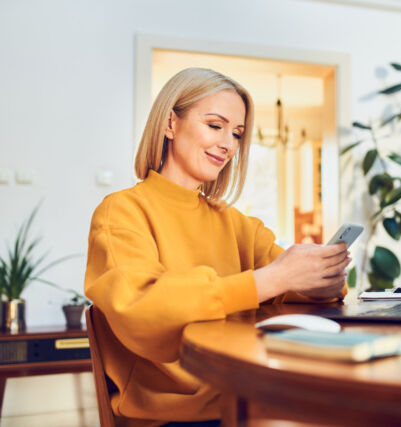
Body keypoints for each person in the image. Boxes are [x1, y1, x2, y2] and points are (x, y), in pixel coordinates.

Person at [84, 67, 350, 427]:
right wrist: (270, 280)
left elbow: (290, 282)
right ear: (169, 124)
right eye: (215, 125)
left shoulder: (234, 222)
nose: (228, 144)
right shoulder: (121, 212)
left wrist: (325, 282)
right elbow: (142, 309)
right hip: (175, 412)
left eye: (237, 133)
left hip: (243, 390)